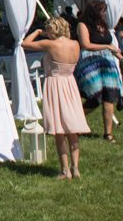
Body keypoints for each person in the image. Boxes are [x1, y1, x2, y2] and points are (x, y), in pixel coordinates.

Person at [22, 17, 91, 179]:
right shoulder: (75, 44)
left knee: (59, 129)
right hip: (70, 84)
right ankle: (75, 167)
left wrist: (37, 32)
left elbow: (25, 44)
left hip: (55, 84)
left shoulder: (51, 44)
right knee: (72, 129)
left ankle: (65, 169)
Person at [74, 0, 123, 142]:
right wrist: (106, 48)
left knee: (109, 96)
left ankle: (108, 134)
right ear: (95, 12)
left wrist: (122, 60)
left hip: (107, 65)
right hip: (90, 65)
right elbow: (85, 45)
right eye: (102, 11)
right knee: (94, 98)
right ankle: (74, 122)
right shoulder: (83, 25)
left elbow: (110, 45)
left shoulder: (104, 26)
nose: (104, 14)